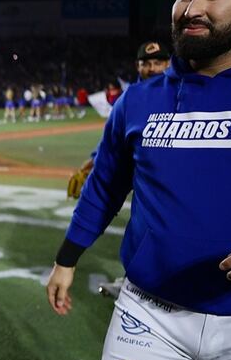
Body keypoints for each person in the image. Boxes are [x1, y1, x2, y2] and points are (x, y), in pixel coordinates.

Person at [45, 0, 231, 360]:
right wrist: (68, 258)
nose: (192, 6)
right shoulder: (140, 100)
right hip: (149, 312)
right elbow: (104, 187)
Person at [66, 41, 172, 298]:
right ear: (137, 66)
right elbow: (115, 141)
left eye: (158, 62)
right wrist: (94, 160)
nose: (152, 68)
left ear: (169, 64)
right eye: (146, 63)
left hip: (168, 175)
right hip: (142, 173)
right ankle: (131, 280)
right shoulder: (132, 98)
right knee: (140, 227)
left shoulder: (178, 90)